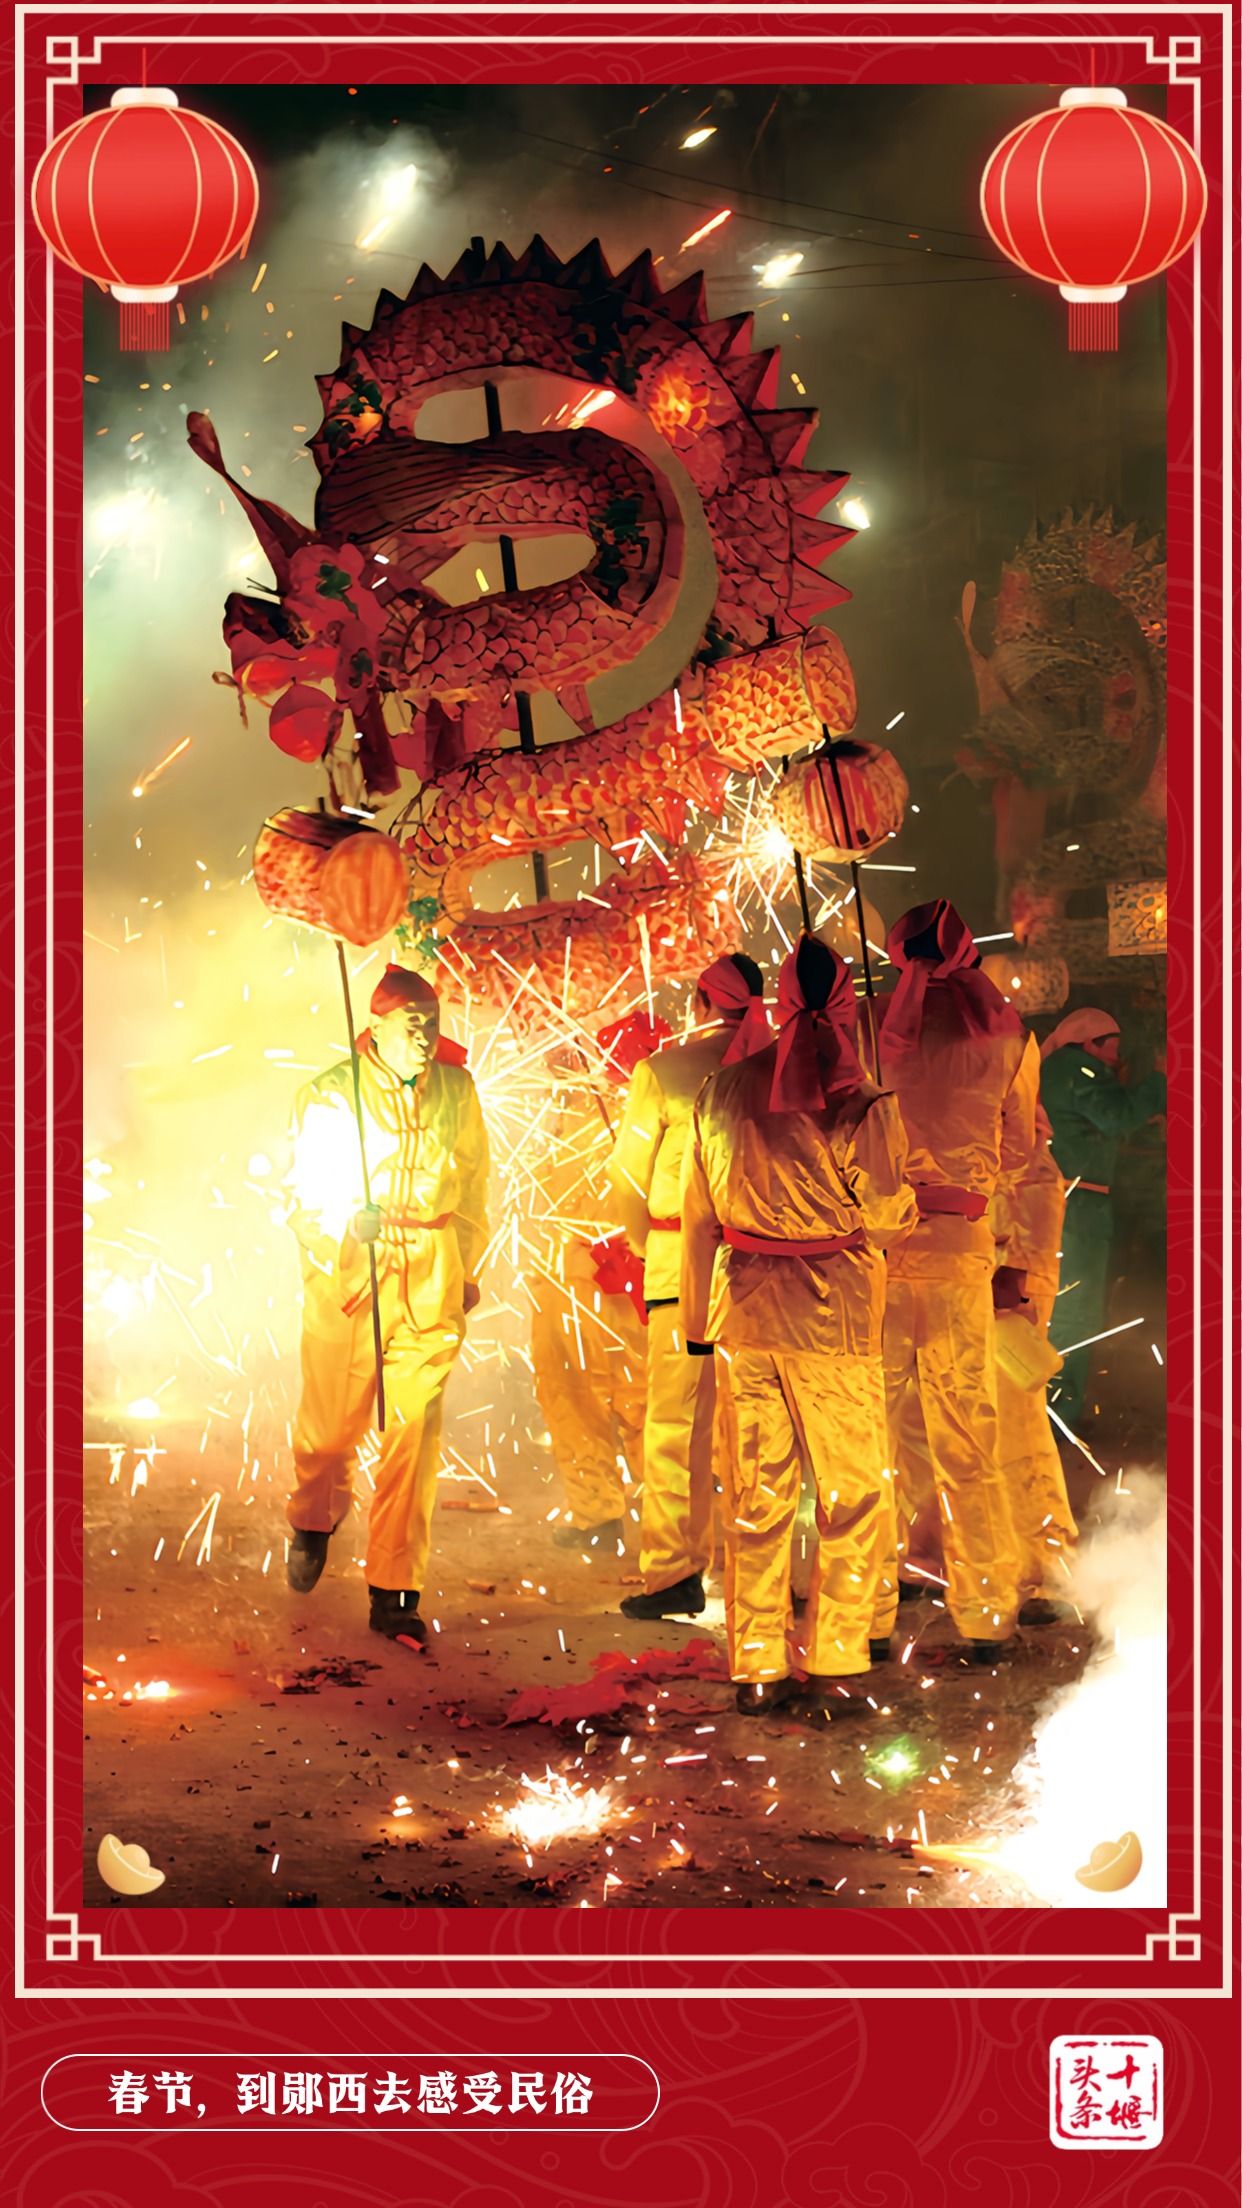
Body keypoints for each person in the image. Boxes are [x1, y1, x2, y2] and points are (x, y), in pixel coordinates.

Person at [681, 936, 917, 1713]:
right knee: (853, 1494)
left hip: (745, 1314)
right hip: (831, 1320)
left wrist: (695, 1322)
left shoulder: (720, 1090)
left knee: (757, 1494)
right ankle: (838, 1659)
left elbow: (698, 1216)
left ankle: (755, 1668)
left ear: (780, 1004)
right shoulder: (861, 1101)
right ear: (845, 1005)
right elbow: (887, 1219)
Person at [284, 965, 489, 1646]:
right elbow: (303, 1198)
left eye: (433, 1023)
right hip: (353, 1276)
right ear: (376, 1028)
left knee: (414, 1431)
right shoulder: (329, 1095)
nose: (425, 1037)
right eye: (412, 1025)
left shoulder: (458, 1090)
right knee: (330, 1429)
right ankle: (313, 1517)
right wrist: (345, 1224)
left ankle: (395, 1588)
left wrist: (466, 1265)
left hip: (431, 1270)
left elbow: (475, 1184)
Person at [879, 899, 1037, 1658]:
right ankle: (985, 1614)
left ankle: (863, 1614)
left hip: (876, 1254)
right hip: (961, 1249)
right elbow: (1019, 1152)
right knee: (967, 1438)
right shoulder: (1008, 1033)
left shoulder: (869, 1024)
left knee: (869, 1435)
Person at [607, 953, 770, 1620]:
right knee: (759, 1428)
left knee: (676, 1422)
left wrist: (645, 1244)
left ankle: (675, 1572)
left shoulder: (663, 1070)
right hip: (763, 1267)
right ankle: (763, 1575)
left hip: (679, 1264)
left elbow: (627, 1177)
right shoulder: (780, 1064)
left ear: (702, 1001)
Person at [526, 1051, 648, 1554]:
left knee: (595, 1398)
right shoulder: (572, 1106)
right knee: (622, 1400)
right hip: (600, 1278)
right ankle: (655, 1522)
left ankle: (615, 1516)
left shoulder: (603, 1109)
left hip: (591, 1279)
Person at [1039, 1009, 1167, 1426]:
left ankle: (1051, 1411)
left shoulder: (1059, 1071)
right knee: (1075, 1313)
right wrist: (1159, 1079)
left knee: (1063, 1309)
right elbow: (1116, 1115)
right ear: (1089, 1043)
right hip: (1077, 1208)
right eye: (1112, 1048)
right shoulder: (1075, 1068)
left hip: (1068, 1203)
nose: (1116, 1058)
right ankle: (1058, 1414)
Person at [991, 1097, 1079, 1622]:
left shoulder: (1030, 1170)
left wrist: (1011, 1285)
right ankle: (935, 1558)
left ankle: (1049, 1567)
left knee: (1017, 1428)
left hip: (1005, 1295)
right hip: (963, 1279)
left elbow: (1031, 1227)